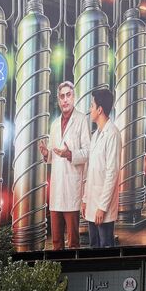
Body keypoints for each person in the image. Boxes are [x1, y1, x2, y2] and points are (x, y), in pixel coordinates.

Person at [40, 81, 90, 250]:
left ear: (73, 97)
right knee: (56, 241)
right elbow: (53, 154)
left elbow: (87, 152)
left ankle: (73, 266)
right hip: (57, 189)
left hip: (71, 188)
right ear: (58, 100)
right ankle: (56, 266)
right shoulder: (54, 124)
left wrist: (70, 154)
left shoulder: (81, 120)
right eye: (62, 96)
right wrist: (46, 154)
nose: (65, 99)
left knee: (73, 241)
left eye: (68, 95)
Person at [83, 89, 121, 248]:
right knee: (94, 245)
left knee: (105, 247)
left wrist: (102, 207)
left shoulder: (112, 134)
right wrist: (85, 200)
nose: (90, 109)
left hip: (103, 207)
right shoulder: (96, 135)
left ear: (100, 110)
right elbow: (91, 170)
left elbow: (112, 173)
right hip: (92, 203)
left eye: (92, 106)